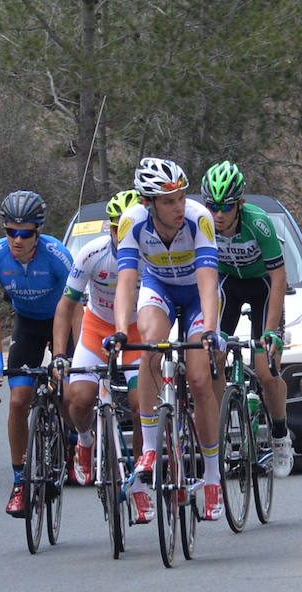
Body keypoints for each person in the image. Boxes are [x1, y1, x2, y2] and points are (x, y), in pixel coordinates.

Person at [108, 158, 226, 521]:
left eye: (180, 196)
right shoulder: (131, 222)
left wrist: (209, 329)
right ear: (149, 203)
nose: (178, 206)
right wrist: (118, 330)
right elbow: (127, 282)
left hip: (195, 294)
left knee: (199, 377)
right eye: (168, 200)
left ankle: (210, 475)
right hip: (158, 287)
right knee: (150, 345)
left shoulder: (198, 217)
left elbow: (208, 279)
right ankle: (148, 449)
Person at [50, 190, 154, 519]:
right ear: (108, 228)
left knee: (141, 408)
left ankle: (138, 484)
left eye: (126, 227)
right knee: (78, 399)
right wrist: (59, 354)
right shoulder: (91, 254)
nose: (120, 235)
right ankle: (84, 439)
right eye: (114, 228)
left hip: (138, 331)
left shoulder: (152, 254)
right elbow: (66, 307)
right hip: (98, 331)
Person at [0, 190, 73, 517]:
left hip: (64, 318)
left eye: (25, 233)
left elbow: (73, 308)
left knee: (69, 393)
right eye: (10, 232)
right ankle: (20, 482)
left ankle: (72, 441)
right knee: (19, 400)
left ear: (38, 232)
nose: (16, 239)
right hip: (28, 324)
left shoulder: (58, 256)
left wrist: (60, 356)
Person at [201, 161, 294, 478]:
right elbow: (206, 278)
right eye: (212, 206)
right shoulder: (202, 226)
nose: (218, 214)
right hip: (228, 285)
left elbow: (278, 276)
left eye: (226, 206)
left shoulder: (259, 223)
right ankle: (226, 423)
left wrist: (270, 331)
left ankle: (280, 436)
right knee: (211, 352)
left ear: (239, 203)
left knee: (267, 370)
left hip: (263, 286)